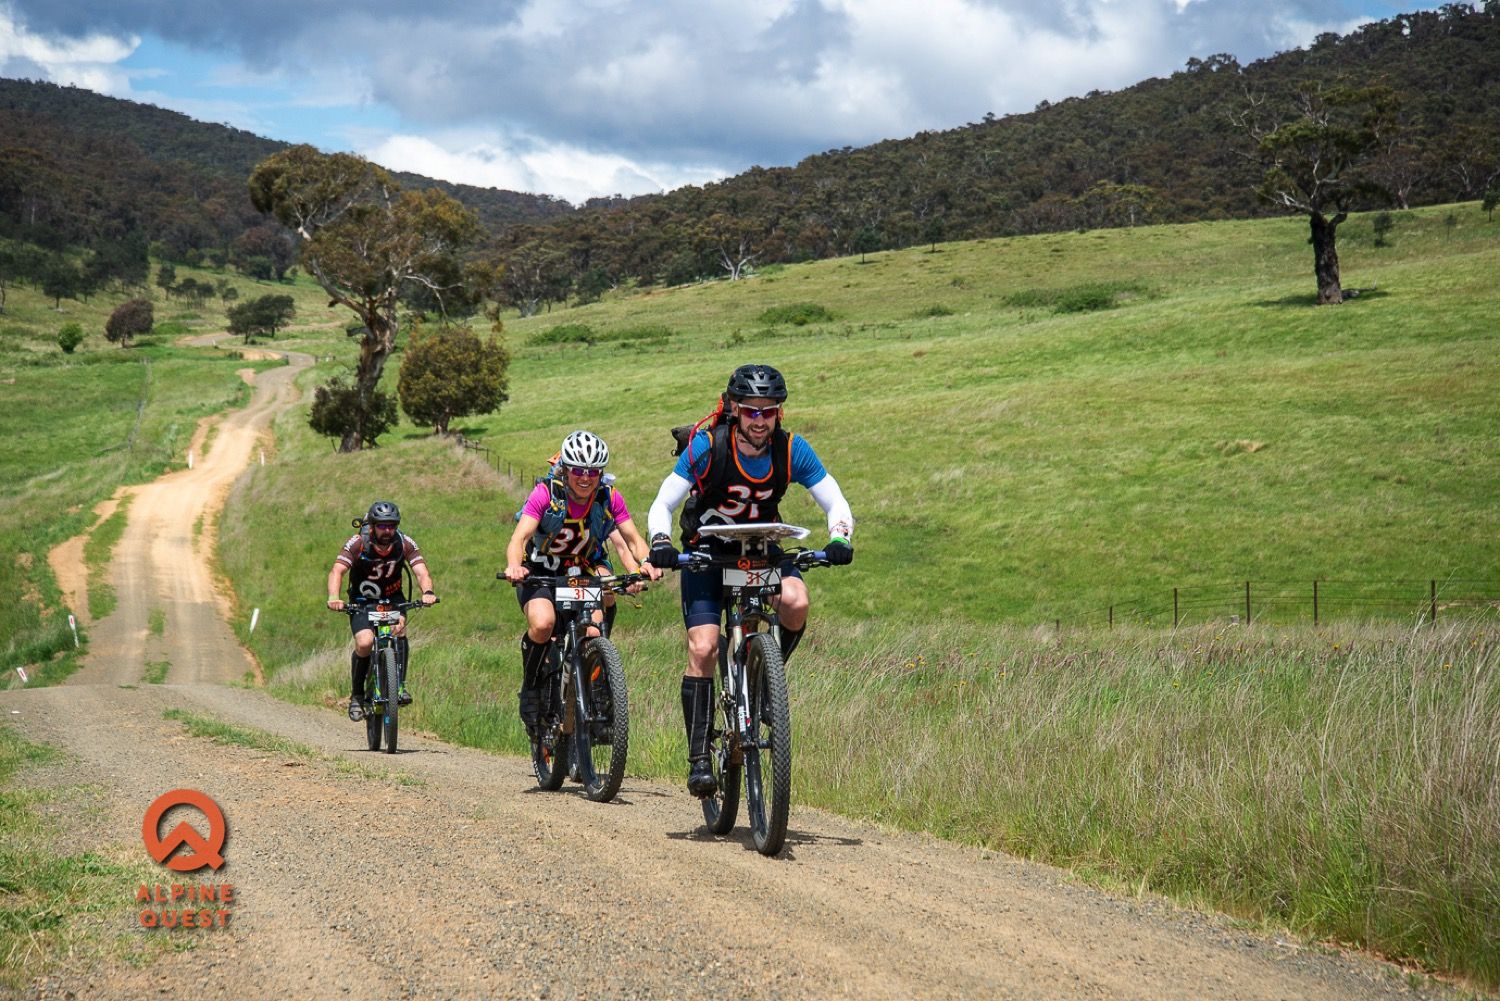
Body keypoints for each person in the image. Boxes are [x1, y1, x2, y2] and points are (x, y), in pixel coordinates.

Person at [645, 364, 854, 797]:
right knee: (703, 647)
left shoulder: (792, 449)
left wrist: (840, 537)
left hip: (762, 548)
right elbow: (663, 501)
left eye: (769, 412)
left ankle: (763, 683)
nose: (760, 421)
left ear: (779, 413)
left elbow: (833, 498)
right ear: (734, 410)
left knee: (796, 602)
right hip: (708, 554)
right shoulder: (707, 445)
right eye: (751, 411)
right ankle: (700, 755)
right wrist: (661, 540)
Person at [502, 430, 655, 734]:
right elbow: (519, 538)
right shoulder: (546, 493)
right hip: (541, 571)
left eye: (593, 472)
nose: (585, 478)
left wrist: (645, 564)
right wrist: (514, 566)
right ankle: (532, 687)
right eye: (578, 471)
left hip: (582, 570)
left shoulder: (608, 497)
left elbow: (632, 540)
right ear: (566, 469)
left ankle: (598, 692)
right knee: (543, 625)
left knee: (595, 627)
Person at [326, 501, 438, 721]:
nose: (387, 531)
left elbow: (421, 571)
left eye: (392, 526)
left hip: (392, 599)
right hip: (362, 601)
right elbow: (337, 571)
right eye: (382, 526)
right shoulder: (358, 543)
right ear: (372, 526)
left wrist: (428, 591)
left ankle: (399, 686)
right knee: (365, 643)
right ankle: (357, 696)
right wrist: (334, 597)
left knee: (399, 629)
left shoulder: (403, 542)